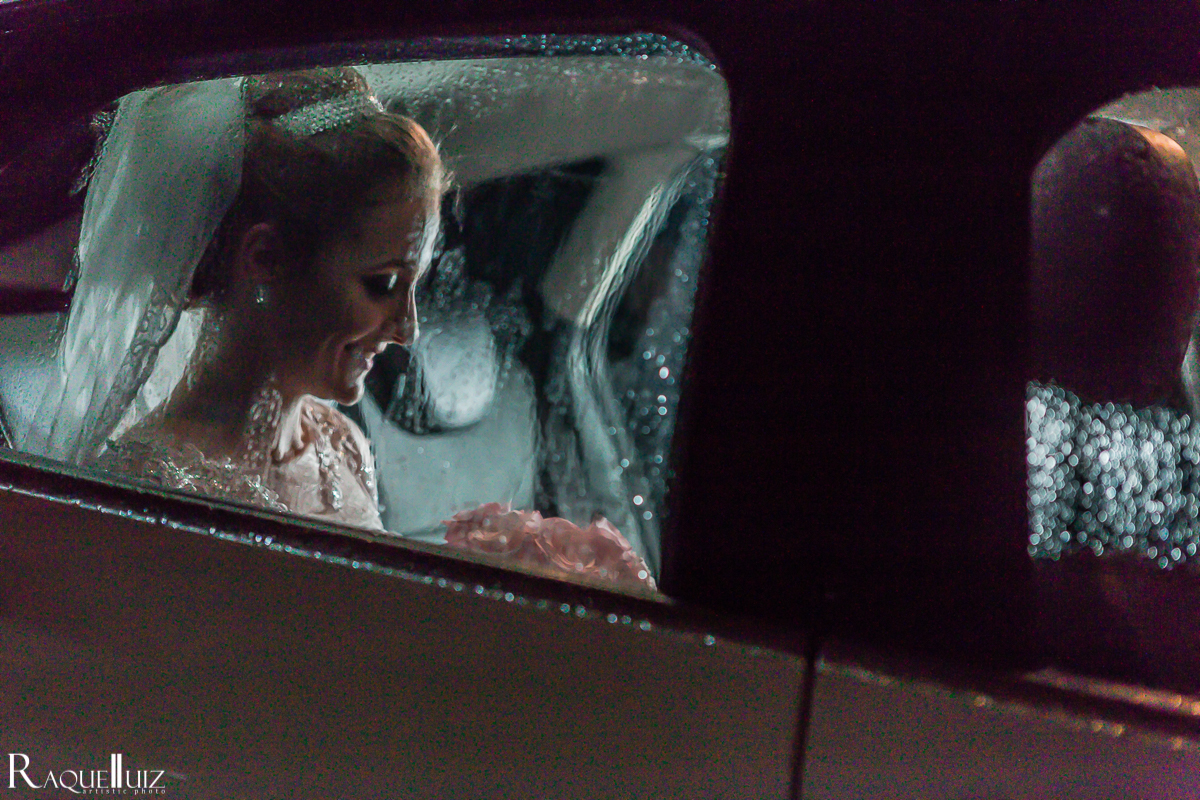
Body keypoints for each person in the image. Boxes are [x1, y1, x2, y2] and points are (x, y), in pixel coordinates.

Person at [37, 67, 655, 589]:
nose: (407, 329)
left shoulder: (341, 442)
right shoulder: (146, 488)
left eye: (413, 287)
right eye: (382, 284)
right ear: (265, 260)